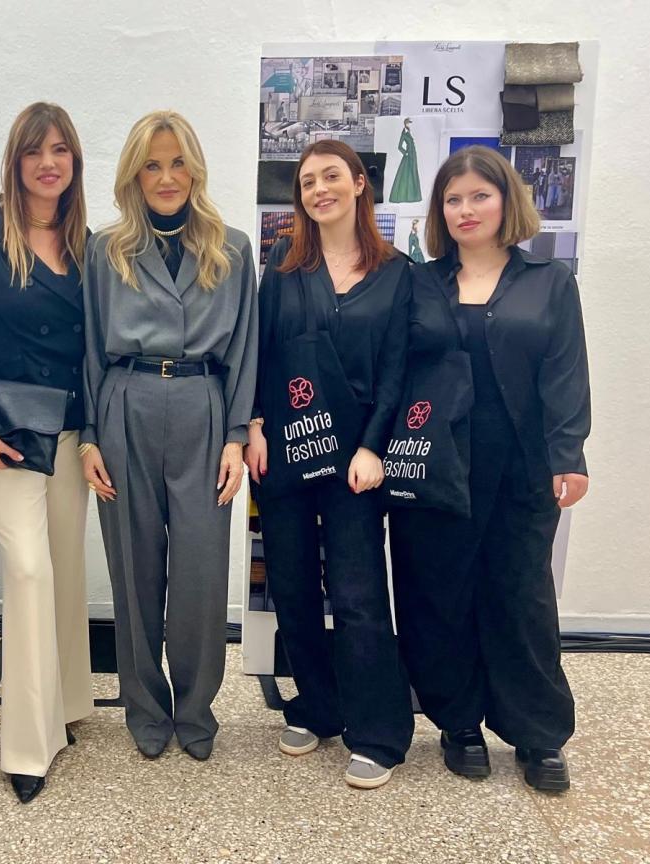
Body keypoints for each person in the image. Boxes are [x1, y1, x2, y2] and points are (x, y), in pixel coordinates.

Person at [389, 146, 590, 793]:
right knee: (439, 594)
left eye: (480, 195)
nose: (466, 209)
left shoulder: (549, 282)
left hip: (521, 467)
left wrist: (569, 454)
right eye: (453, 199)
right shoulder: (418, 283)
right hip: (434, 463)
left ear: (506, 201)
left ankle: (538, 734)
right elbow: (393, 370)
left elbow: (566, 373)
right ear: (439, 212)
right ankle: (458, 724)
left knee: (521, 597)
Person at [81, 110, 258, 764]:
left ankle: (196, 706)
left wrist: (236, 435)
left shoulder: (232, 248)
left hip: (202, 407)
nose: (165, 177)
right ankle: (145, 706)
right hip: (125, 403)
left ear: (195, 169)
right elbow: (88, 347)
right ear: (134, 174)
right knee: (133, 568)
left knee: (200, 570)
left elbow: (246, 349)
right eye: (152, 165)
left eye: (177, 162)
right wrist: (89, 437)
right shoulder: (106, 250)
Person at [245, 140, 413, 790]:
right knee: (290, 586)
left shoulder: (396, 273)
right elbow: (260, 351)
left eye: (332, 176)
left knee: (358, 593)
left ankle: (378, 733)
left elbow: (397, 368)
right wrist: (255, 424)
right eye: (309, 181)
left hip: (354, 464)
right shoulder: (283, 267)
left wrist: (374, 446)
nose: (320, 189)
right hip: (286, 450)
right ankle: (317, 706)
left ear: (360, 183)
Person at [0, 102, 93, 804]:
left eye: (60, 150)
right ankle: (28, 747)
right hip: (3, 433)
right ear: (15, 159)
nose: (47, 163)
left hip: (69, 431)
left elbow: (93, 350)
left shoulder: (85, 241)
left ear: (74, 161)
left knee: (65, 568)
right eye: (35, 150)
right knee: (29, 570)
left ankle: (66, 702)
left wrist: (93, 435)